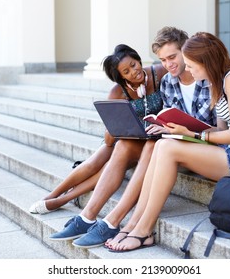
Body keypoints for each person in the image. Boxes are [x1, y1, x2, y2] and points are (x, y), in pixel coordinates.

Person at [108, 31, 230, 252]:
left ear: (205, 61)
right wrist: (183, 131)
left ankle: (143, 230)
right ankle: (133, 224)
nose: (189, 70)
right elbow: (220, 130)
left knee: (167, 149)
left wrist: (194, 135)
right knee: (161, 144)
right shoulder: (216, 81)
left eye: (192, 65)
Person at [58, 26, 216, 249]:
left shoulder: (207, 78)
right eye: (163, 59)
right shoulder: (170, 82)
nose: (168, 64)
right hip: (175, 143)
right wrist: (161, 126)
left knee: (154, 147)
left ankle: (115, 222)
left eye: (172, 57)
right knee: (123, 145)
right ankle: (88, 217)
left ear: (186, 51)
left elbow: (220, 129)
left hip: (199, 146)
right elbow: (170, 116)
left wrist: (183, 131)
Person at [47, 44, 168, 239]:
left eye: (134, 64)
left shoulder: (160, 72)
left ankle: (70, 204)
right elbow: (109, 137)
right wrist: (117, 123)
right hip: (137, 140)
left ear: (138, 59)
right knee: (113, 147)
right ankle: (86, 217)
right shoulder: (118, 92)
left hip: (163, 138)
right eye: (127, 71)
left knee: (109, 156)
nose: (134, 71)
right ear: (121, 77)